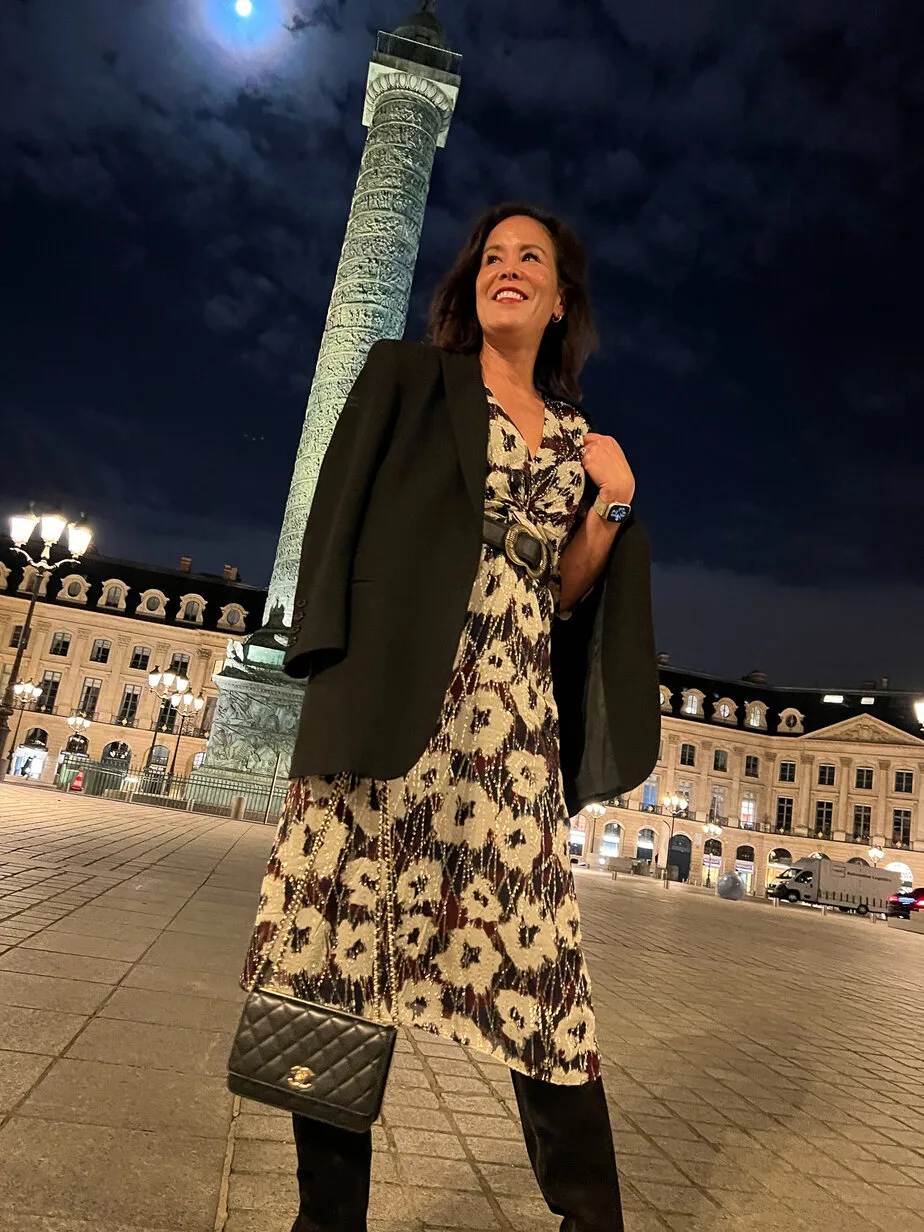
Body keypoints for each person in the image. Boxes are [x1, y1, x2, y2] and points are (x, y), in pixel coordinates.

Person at [241, 202, 661, 1232]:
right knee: (333, 952)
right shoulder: (406, 376)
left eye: (534, 259)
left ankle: (589, 1213)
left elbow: (564, 594)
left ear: (562, 301)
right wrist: (323, 676)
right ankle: (326, 1217)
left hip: (511, 730)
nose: (508, 268)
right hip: (385, 700)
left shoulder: (576, 437)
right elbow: (338, 513)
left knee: (542, 959)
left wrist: (610, 503)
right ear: (472, 283)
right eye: (493, 256)